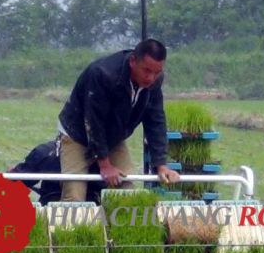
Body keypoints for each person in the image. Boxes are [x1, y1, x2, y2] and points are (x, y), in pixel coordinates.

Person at [57, 38, 179, 201]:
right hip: (76, 134)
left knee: (127, 193)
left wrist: (161, 165)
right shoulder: (102, 74)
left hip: (113, 137)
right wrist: (105, 165)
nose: (151, 78)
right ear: (133, 61)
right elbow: (93, 122)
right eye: (147, 71)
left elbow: (155, 120)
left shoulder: (154, 82)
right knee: (74, 196)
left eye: (157, 73)